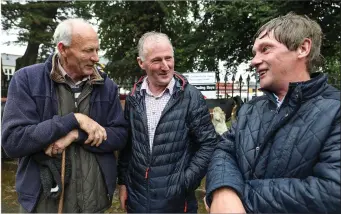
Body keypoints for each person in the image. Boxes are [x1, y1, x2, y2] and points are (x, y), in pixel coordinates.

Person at [205, 12, 340, 213]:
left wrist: (240, 196)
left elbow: (333, 191)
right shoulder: (251, 109)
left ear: (302, 48)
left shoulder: (335, 109)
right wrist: (223, 189)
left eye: (265, 49)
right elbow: (224, 151)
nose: (254, 61)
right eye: (254, 53)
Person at [1, 18, 128, 213]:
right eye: (88, 50)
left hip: (92, 203)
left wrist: (76, 135)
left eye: (97, 49)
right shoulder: (27, 80)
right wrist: (74, 119)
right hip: (42, 204)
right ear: (62, 49)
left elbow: (119, 136)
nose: (96, 57)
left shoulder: (106, 86)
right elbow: (13, 141)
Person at [117, 32, 217, 213]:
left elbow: (209, 144)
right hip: (138, 200)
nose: (165, 66)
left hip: (177, 203)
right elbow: (128, 145)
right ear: (141, 63)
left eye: (169, 58)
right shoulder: (133, 98)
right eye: (156, 60)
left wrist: (185, 182)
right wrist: (123, 183)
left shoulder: (191, 97)